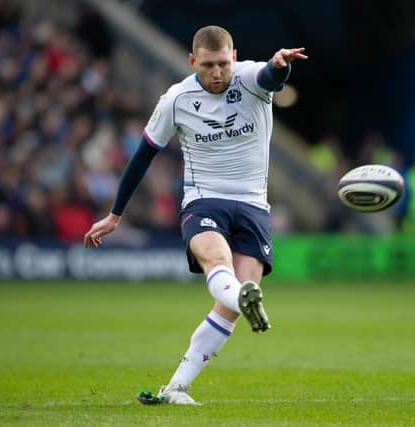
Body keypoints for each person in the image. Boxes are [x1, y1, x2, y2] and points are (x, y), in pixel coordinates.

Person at [83, 25, 307, 405]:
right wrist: (115, 214)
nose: (217, 73)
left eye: (223, 63)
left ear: (234, 58)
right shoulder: (175, 99)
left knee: (233, 303)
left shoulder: (251, 78)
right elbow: (143, 156)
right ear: (192, 62)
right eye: (207, 66)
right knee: (218, 262)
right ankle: (244, 301)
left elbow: (271, 75)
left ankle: (175, 388)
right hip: (204, 201)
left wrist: (280, 65)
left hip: (253, 206)